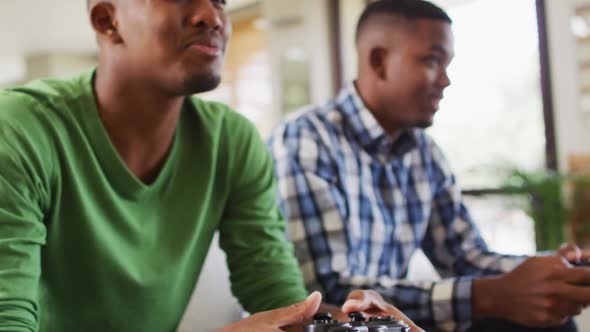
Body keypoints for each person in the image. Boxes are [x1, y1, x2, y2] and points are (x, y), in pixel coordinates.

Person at [0, 0, 423, 331]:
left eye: (219, 0)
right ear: (107, 21)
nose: (211, 16)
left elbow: (279, 300)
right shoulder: (19, 130)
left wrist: (354, 326)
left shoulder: (232, 141)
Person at [268, 0, 590, 331]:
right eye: (432, 61)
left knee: (551, 321)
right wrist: (487, 295)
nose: (446, 80)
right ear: (379, 61)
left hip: (392, 321)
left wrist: (550, 268)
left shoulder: (424, 152)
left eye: (447, 64)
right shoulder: (305, 140)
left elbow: (465, 257)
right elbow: (330, 293)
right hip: (334, 325)